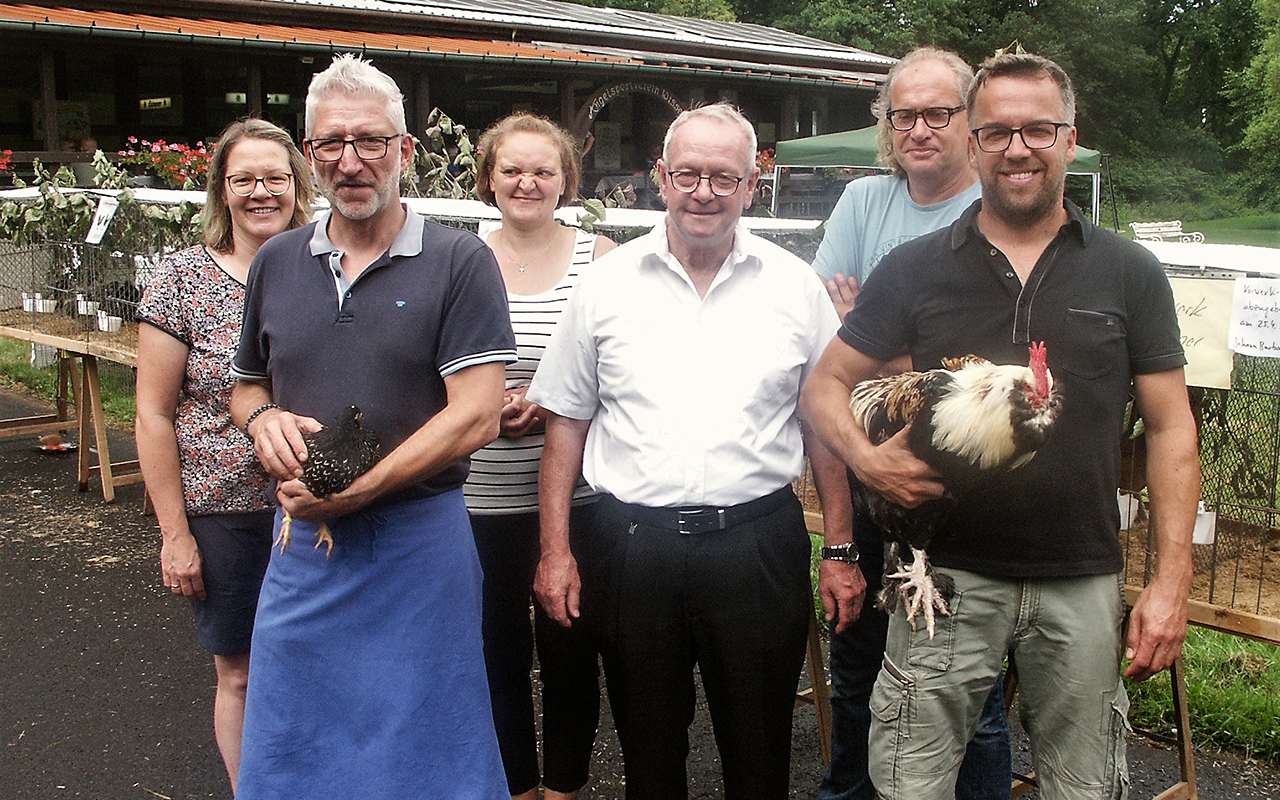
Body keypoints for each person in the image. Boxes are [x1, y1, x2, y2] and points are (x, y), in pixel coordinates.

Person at [801, 53, 1200, 800]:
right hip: (944, 570)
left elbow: (1172, 430)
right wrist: (867, 458)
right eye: (998, 131)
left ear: (1070, 139)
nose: (1017, 147)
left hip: (1081, 576)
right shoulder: (914, 267)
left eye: (1038, 130)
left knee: (1085, 784)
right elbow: (826, 384)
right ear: (975, 142)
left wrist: (1169, 583)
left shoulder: (1128, 271)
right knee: (908, 780)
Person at [528, 103, 864, 800]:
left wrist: (840, 548)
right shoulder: (605, 287)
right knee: (648, 752)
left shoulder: (795, 288)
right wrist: (556, 551)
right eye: (687, 174)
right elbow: (565, 423)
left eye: (722, 176)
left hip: (757, 546)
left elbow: (825, 427)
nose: (703, 191)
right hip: (631, 549)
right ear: (661, 177)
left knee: (759, 750)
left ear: (751, 184)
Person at [228, 53, 515, 799]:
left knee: (428, 743)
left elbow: (478, 413)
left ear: (405, 151)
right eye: (330, 144)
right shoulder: (278, 261)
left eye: (370, 142)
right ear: (310, 152)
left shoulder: (459, 261)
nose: (350, 162)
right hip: (304, 550)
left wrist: (360, 491)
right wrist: (262, 419)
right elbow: (245, 383)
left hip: (419, 544)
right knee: (295, 738)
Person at [808, 48, 1011, 800]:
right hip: (865, 475)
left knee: (966, 685)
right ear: (887, 125)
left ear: (970, 122)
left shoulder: (997, 210)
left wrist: (874, 337)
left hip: (955, 493)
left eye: (938, 113)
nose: (919, 130)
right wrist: (895, 347)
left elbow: (984, 369)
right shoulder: (863, 201)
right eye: (904, 116)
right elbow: (826, 340)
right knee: (857, 664)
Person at [134, 117, 315, 791]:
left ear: (297, 184)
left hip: (320, 505)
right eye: (243, 179)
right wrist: (174, 535)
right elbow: (152, 414)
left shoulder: (324, 270)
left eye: (273, 177)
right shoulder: (183, 278)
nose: (260, 192)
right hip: (224, 511)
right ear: (221, 190)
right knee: (238, 671)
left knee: (314, 661)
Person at [466, 113, 616, 800]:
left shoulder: (603, 259)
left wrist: (549, 402)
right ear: (488, 178)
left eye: (543, 171)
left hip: (577, 496)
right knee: (494, 651)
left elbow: (623, 374)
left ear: (565, 181)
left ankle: (563, 790)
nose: (527, 182)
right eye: (512, 170)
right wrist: (486, 404)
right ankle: (516, 788)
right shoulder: (457, 258)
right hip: (480, 494)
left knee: (569, 649)